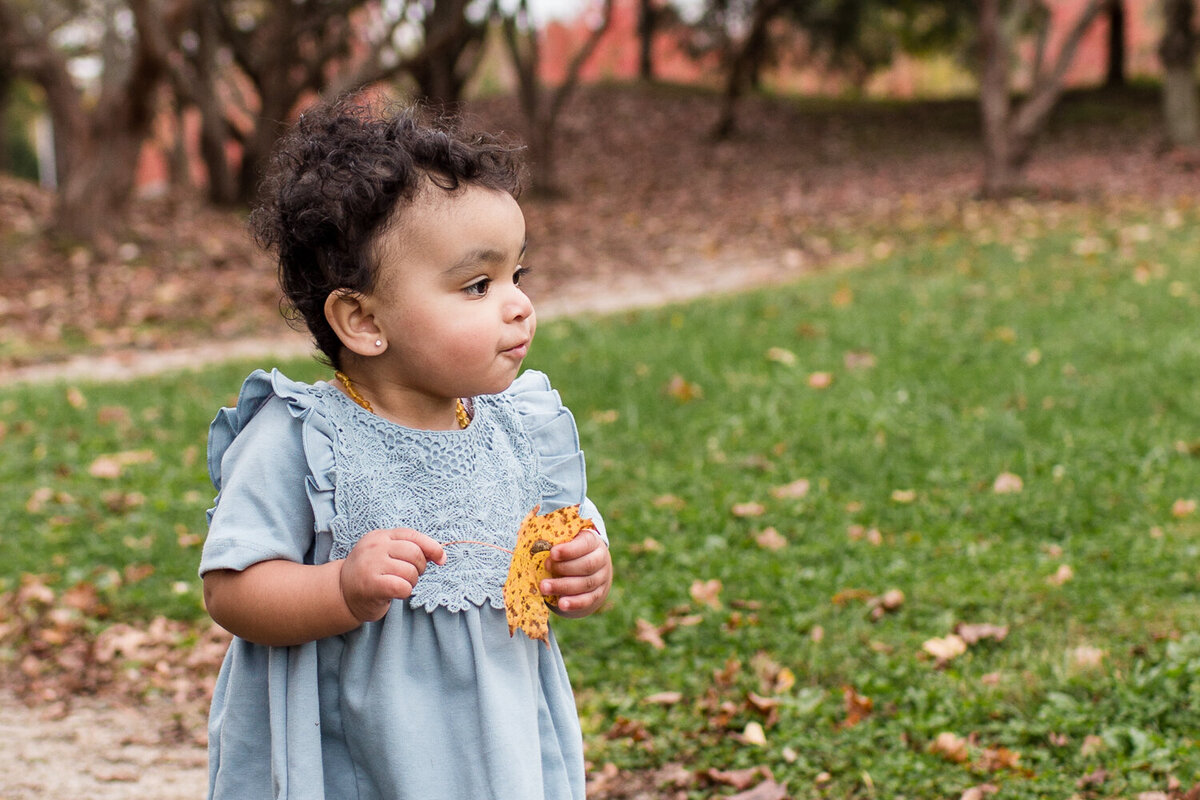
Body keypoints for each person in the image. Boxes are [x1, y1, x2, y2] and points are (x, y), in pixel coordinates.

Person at [199, 95, 613, 800]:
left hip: (499, 746)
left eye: (520, 276)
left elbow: (559, 528)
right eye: (478, 285)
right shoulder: (303, 438)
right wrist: (337, 588)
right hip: (355, 755)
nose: (518, 305)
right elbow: (231, 587)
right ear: (362, 319)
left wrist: (584, 564)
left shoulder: (520, 424)